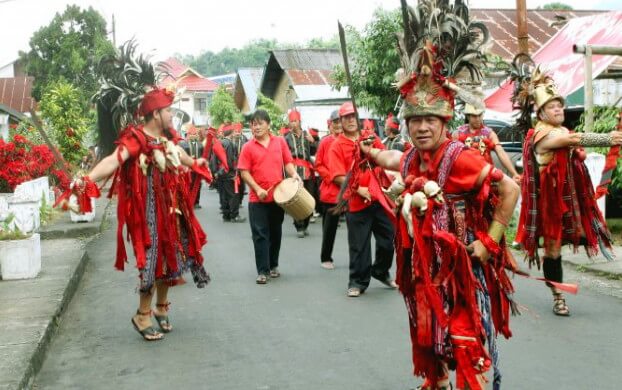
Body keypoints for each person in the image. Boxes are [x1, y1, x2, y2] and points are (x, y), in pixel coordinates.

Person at [362, 41, 520, 389]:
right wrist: (369, 151)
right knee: (429, 338)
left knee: (467, 341)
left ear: (445, 120)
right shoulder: (410, 159)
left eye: (429, 119)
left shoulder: (460, 157)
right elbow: (391, 159)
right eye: (415, 120)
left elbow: (510, 188)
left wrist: (490, 241)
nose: (421, 127)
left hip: (463, 271)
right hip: (423, 271)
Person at [73, 87, 211, 341]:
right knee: (152, 260)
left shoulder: (166, 137)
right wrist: (88, 178)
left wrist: (195, 163)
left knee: (172, 257)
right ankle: (142, 314)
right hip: (147, 213)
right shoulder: (136, 139)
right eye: (168, 110)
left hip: (171, 209)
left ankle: (161, 307)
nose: (171, 115)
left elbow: (178, 153)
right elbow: (113, 160)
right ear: (156, 113)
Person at [514, 66, 621, 316]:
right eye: (553, 106)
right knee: (552, 250)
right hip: (550, 204)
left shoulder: (561, 129)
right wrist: (607, 139)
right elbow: (574, 142)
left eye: (560, 105)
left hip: (568, 198)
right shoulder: (542, 134)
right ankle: (558, 295)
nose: (559, 109)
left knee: (574, 237)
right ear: (541, 112)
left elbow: (573, 144)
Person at [328, 102, 397, 297]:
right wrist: (358, 188)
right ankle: (357, 281)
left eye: (353, 116)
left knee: (388, 239)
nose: (350, 120)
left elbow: (384, 157)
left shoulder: (371, 137)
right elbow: (337, 175)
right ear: (340, 121)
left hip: (379, 198)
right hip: (357, 203)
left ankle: (380, 270)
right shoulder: (336, 146)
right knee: (359, 245)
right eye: (346, 117)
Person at [238, 109, 301, 284]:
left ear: (268, 124)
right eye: (253, 124)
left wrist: (294, 175)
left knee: (275, 232)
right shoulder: (247, 147)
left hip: (278, 197)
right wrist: (257, 189)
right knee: (260, 234)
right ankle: (262, 270)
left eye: (260, 123)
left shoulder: (279, 142)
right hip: (257, 199)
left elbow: (288, 162)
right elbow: (244, 172)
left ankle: (273, 265)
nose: (256, 127)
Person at [453, 104, 521, 182]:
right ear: (468, 117)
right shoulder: (458, 133)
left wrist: (514, 173)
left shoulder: (489, 133)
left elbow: (501, 152)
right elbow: (452, 158)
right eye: (474, 116)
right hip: (465, 177)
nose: (478, 119)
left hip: (485, 176)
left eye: (480, 115)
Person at [314, 110, 343, 270]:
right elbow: (318, 164)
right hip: (331, 190)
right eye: (335, 122)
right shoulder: (325, 142)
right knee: (329, 227)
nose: (338, 125)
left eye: (340, 122)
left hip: (351, 191)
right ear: (330, 124)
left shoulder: (350, 141)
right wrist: (332, 177)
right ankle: (326, 257)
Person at [284, 109, 316, 238]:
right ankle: (299, 226)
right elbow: (285, 157)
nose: (293, 124)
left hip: (307, 171)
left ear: (299, 121)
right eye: (291, 121)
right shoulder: (286, 138)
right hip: (294, 171)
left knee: (308, 198)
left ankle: (306, 223)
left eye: (295, 121)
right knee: (296, 200)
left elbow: (315, 152)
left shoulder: (307, 135)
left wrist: (313, 141)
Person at [219, 125, 246, 222]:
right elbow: (230, 160)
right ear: (231, 133)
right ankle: (234, 215)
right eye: (234, 132)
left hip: (221, 173)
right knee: (234, 194)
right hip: (229, 173)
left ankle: (226, 215)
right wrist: (234, 171)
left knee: (224, 195)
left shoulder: (220, 142)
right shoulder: (229, 144)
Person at [180, 126, 204, 208]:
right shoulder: (183, 144)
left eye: (194, 134)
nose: (193, 136)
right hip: (188, 168)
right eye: (191, 134)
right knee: (189, 184)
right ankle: (189, 201)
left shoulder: (200, 144)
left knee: (198, 184)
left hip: (198, 168)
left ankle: (196, 202)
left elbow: (203, 156)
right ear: (188, 135)